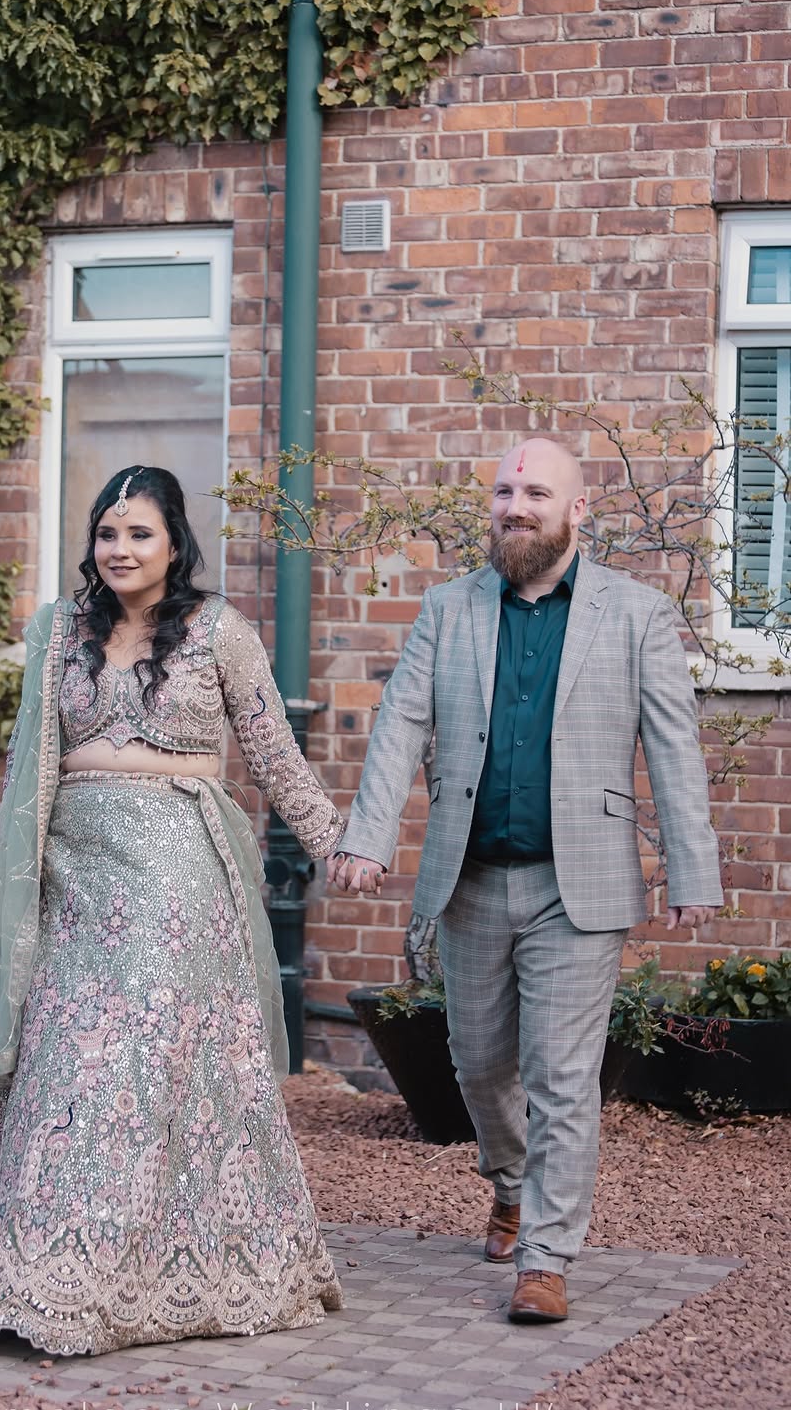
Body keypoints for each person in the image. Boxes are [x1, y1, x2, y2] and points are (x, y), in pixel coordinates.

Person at [0, 465, 344, 1355]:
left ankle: (139, 1272)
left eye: (140, 534)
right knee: (59, 1054)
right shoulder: (59, 632)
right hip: (74, 872)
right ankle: (45, 1275)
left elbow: (274, 752)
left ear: (175, 545)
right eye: (107, 533)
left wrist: (333, 841)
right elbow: (29, 763)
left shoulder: (219, 633)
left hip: (175, 881)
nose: (119, 550)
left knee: (129, 1063)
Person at [329, 437, 722, 1325]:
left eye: (538, 491)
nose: (517, 505)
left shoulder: (637, 614)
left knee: (564, 1072)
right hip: (469, 878)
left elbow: (674, 749)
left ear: (578, 509)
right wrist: (369, 834)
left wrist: (691, 866)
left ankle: (545, 1254)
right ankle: (509, 1182)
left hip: (576, 885)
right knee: (479, 1064)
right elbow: (400, 725)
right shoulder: (448, 609)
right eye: (506, 490)